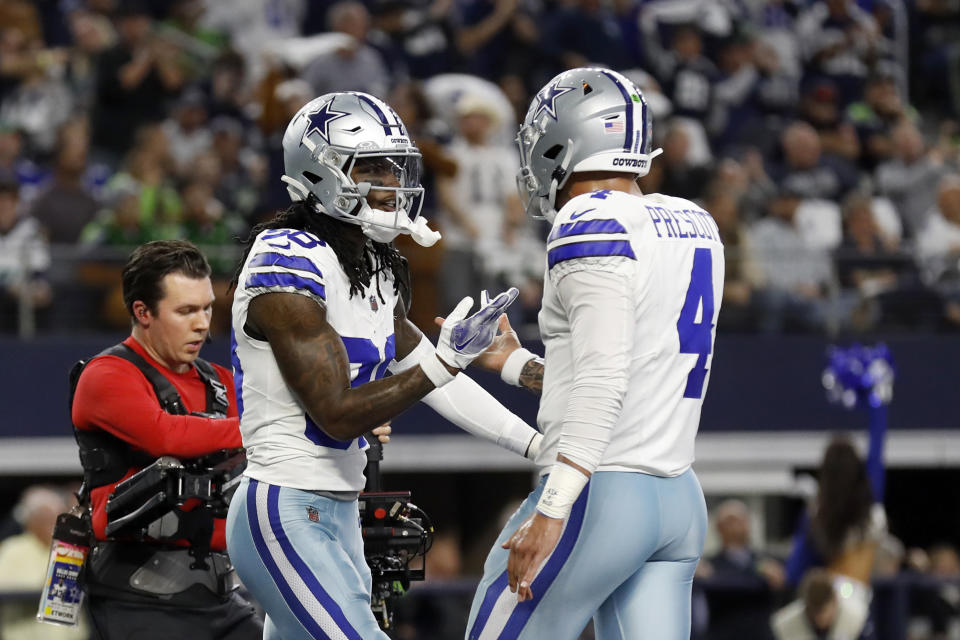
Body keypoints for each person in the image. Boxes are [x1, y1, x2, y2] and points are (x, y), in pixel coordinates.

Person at [224, 91, 543, 640]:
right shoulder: (285, 259)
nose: (392, 183)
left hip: (339, 510)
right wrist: (444, 362)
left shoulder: (372, 265)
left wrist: (540, 447)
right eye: (371, 167)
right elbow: (338, 415)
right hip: (283, 504)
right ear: (321, 171)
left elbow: (439, 379)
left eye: (394, 167)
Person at [463, 67, 725, 639]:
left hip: (598, 496)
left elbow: (605, 377)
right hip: (677, 497)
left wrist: (552, 507)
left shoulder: (588, 219)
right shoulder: (694, 220)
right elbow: (633, 363)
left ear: (567, 140)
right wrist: (514, 363)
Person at [71, 240, 264, 639]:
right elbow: (167, 435)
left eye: (207, 307)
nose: (202, 323)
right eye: (186, 311)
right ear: (143, 312)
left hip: (222, 597)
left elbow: (284, 430)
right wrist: (267, 426)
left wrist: (343, 426)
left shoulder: (221, 383)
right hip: (137, 601)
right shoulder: (107, 374)